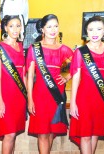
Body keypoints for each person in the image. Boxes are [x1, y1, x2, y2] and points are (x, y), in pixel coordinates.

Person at [69, 16, 104, 154]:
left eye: (99, 29)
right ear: (86, 31)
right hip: (84, 98)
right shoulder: (80, 52)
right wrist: (73, 102)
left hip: (101, 99)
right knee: (85, 135)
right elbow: (75, 78)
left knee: (94, 134)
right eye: (91, 29)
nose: (95, 33)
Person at [26, 14, 73, 154]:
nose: (53, 30)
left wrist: (67, 78)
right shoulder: (34, 48)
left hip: (57, 95)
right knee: (43, 132)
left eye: (56, 26)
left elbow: (79, 65)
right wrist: (30, 99)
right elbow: (29, 76)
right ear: (43, 29)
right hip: (40, 94)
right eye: (49, 26)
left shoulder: (63, 49)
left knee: (52, 132)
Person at [0, 15, 27, 153]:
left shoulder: (20, 46)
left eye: (18, 26)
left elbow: (23, 72)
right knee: (9, 134)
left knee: (14, 133)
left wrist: (27, 96)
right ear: (5, 28)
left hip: (19, 96)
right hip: (6, 95)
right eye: (11, 26)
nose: (15, 29)